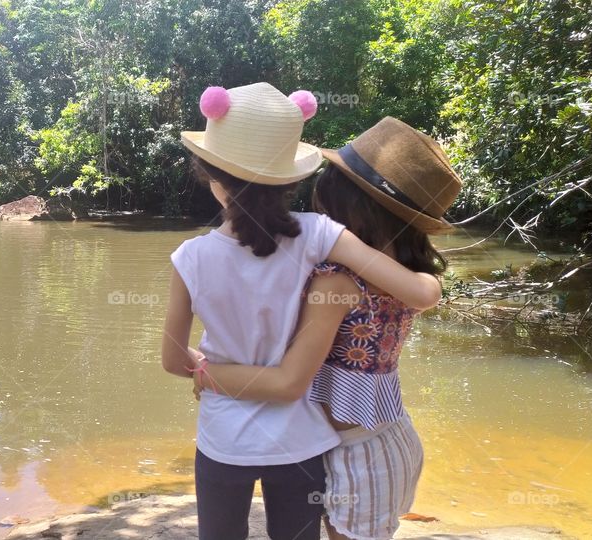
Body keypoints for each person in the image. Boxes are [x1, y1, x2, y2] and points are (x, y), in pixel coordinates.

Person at [161, 83, 453, 540]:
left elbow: (180, 360)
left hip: (258, 443)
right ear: (292, 179)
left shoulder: (194, 258)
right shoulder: (323, 238)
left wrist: (205, 374)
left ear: (213, 179)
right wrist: (431, 281)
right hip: (330, 441)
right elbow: (420, 293)